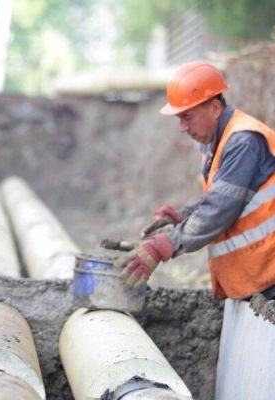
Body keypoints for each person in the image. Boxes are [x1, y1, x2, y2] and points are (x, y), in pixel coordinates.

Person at [116, 61, 275, 399]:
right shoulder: (222, 140)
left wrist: (163, 246)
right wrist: (182, 216)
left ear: (214, 107)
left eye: (186, 117)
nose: (182, 128)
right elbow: (227, 201)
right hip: (260, 271)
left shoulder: (243, 141)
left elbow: (218, 213)